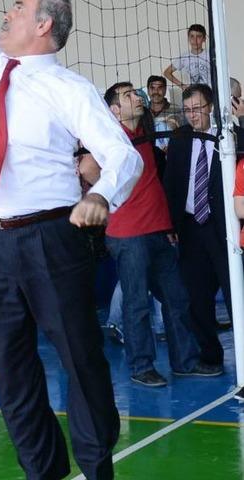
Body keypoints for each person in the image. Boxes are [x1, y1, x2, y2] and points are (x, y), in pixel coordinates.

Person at [0, 0, 144, 478]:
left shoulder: (69, 88)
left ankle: (97, 466)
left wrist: (100, 194)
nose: (5, 12)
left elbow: (124, 157)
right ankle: (43, 472)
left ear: (42, 25)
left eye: (18, 7)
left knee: (80, 360)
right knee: (11, 371)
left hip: (51, 238)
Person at [102, 81, 217, 386]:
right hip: (129, 234)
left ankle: (185, 361)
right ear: (115, 110)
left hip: (159, 231)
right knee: (137, 303)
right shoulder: (110, 139)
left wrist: (168, 225)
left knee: (177, 298)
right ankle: (141, 367)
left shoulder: (145, 131)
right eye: (128, 96)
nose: (136, 97)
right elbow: (88, 168)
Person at [164, 83, 244, 370]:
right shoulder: (179, 138)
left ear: (210, 107)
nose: (192, 115)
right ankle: (210, 357)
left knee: (236, 293)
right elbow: (171, 183)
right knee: (197, 298)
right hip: (190, 228)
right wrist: (170, 223)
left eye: (197, 109)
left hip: (223, 227)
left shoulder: (229, 136)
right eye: (187, 110)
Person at [164, 24, 210, 89]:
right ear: (188, 38)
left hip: (210, 94)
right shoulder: (185, 57)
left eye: (199, 36)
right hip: (193, 95)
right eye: (192, 36)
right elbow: (167, 72)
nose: (195, 40)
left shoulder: (210, 55)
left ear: (204, 39)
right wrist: (182, 85)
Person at [145, 75, 183, 151]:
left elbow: (170, 131)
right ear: (148, 90)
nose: (156, 92)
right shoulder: (143, 111)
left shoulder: (175, 109)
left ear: (165, 90)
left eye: (160, 88)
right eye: (152, 88)